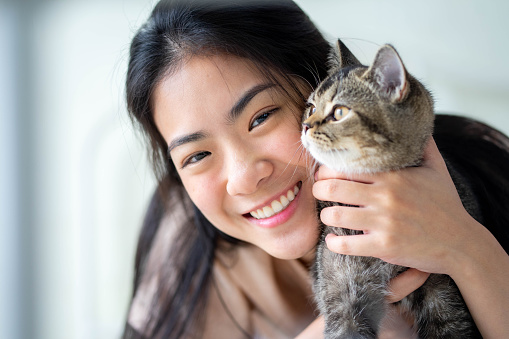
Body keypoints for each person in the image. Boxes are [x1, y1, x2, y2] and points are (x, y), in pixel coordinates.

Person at [121, 0, 509, 338]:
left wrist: (468, 248)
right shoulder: (187, 238)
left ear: (320, 84)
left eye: (262, 117)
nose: (243, 177)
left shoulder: (479, 158)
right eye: (196, 156)